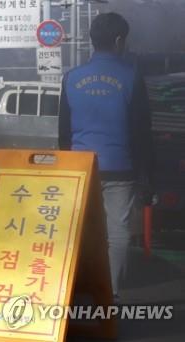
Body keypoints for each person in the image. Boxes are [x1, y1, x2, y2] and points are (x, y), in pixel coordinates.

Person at [58, 13, 154, 299]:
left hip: (79, 168)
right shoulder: (132, 76)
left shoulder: (71, 78)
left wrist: (67, 166)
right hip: (120, 168)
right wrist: (146, 175)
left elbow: (63, 131)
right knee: (118, 231)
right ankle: (110, 293)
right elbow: (141, 131)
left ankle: (75, 287)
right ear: (118, 40)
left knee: (78, 229)